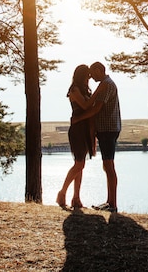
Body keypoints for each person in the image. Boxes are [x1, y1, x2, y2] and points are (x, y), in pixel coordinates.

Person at [72, 61, 121, 213]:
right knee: (107, 165)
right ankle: (109, 201)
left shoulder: (106, 85)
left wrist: (79, 119)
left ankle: (112, 204)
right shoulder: (105, 84)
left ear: (99, 70)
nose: (91, 78)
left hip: (108, 129)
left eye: (93, 74)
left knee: (109, 165)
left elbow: (96, 108)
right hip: (106, 129)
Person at [57, 64, 96, 209]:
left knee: (81, 165)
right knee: (79, 163)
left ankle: (76, 198)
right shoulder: (74, 90)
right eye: (87, 76)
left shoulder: (85, 90)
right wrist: (98, 95)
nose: (89, 79)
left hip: (85, 129)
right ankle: (62, 193)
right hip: (77, 130)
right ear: (82, 75)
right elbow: (86, 106)